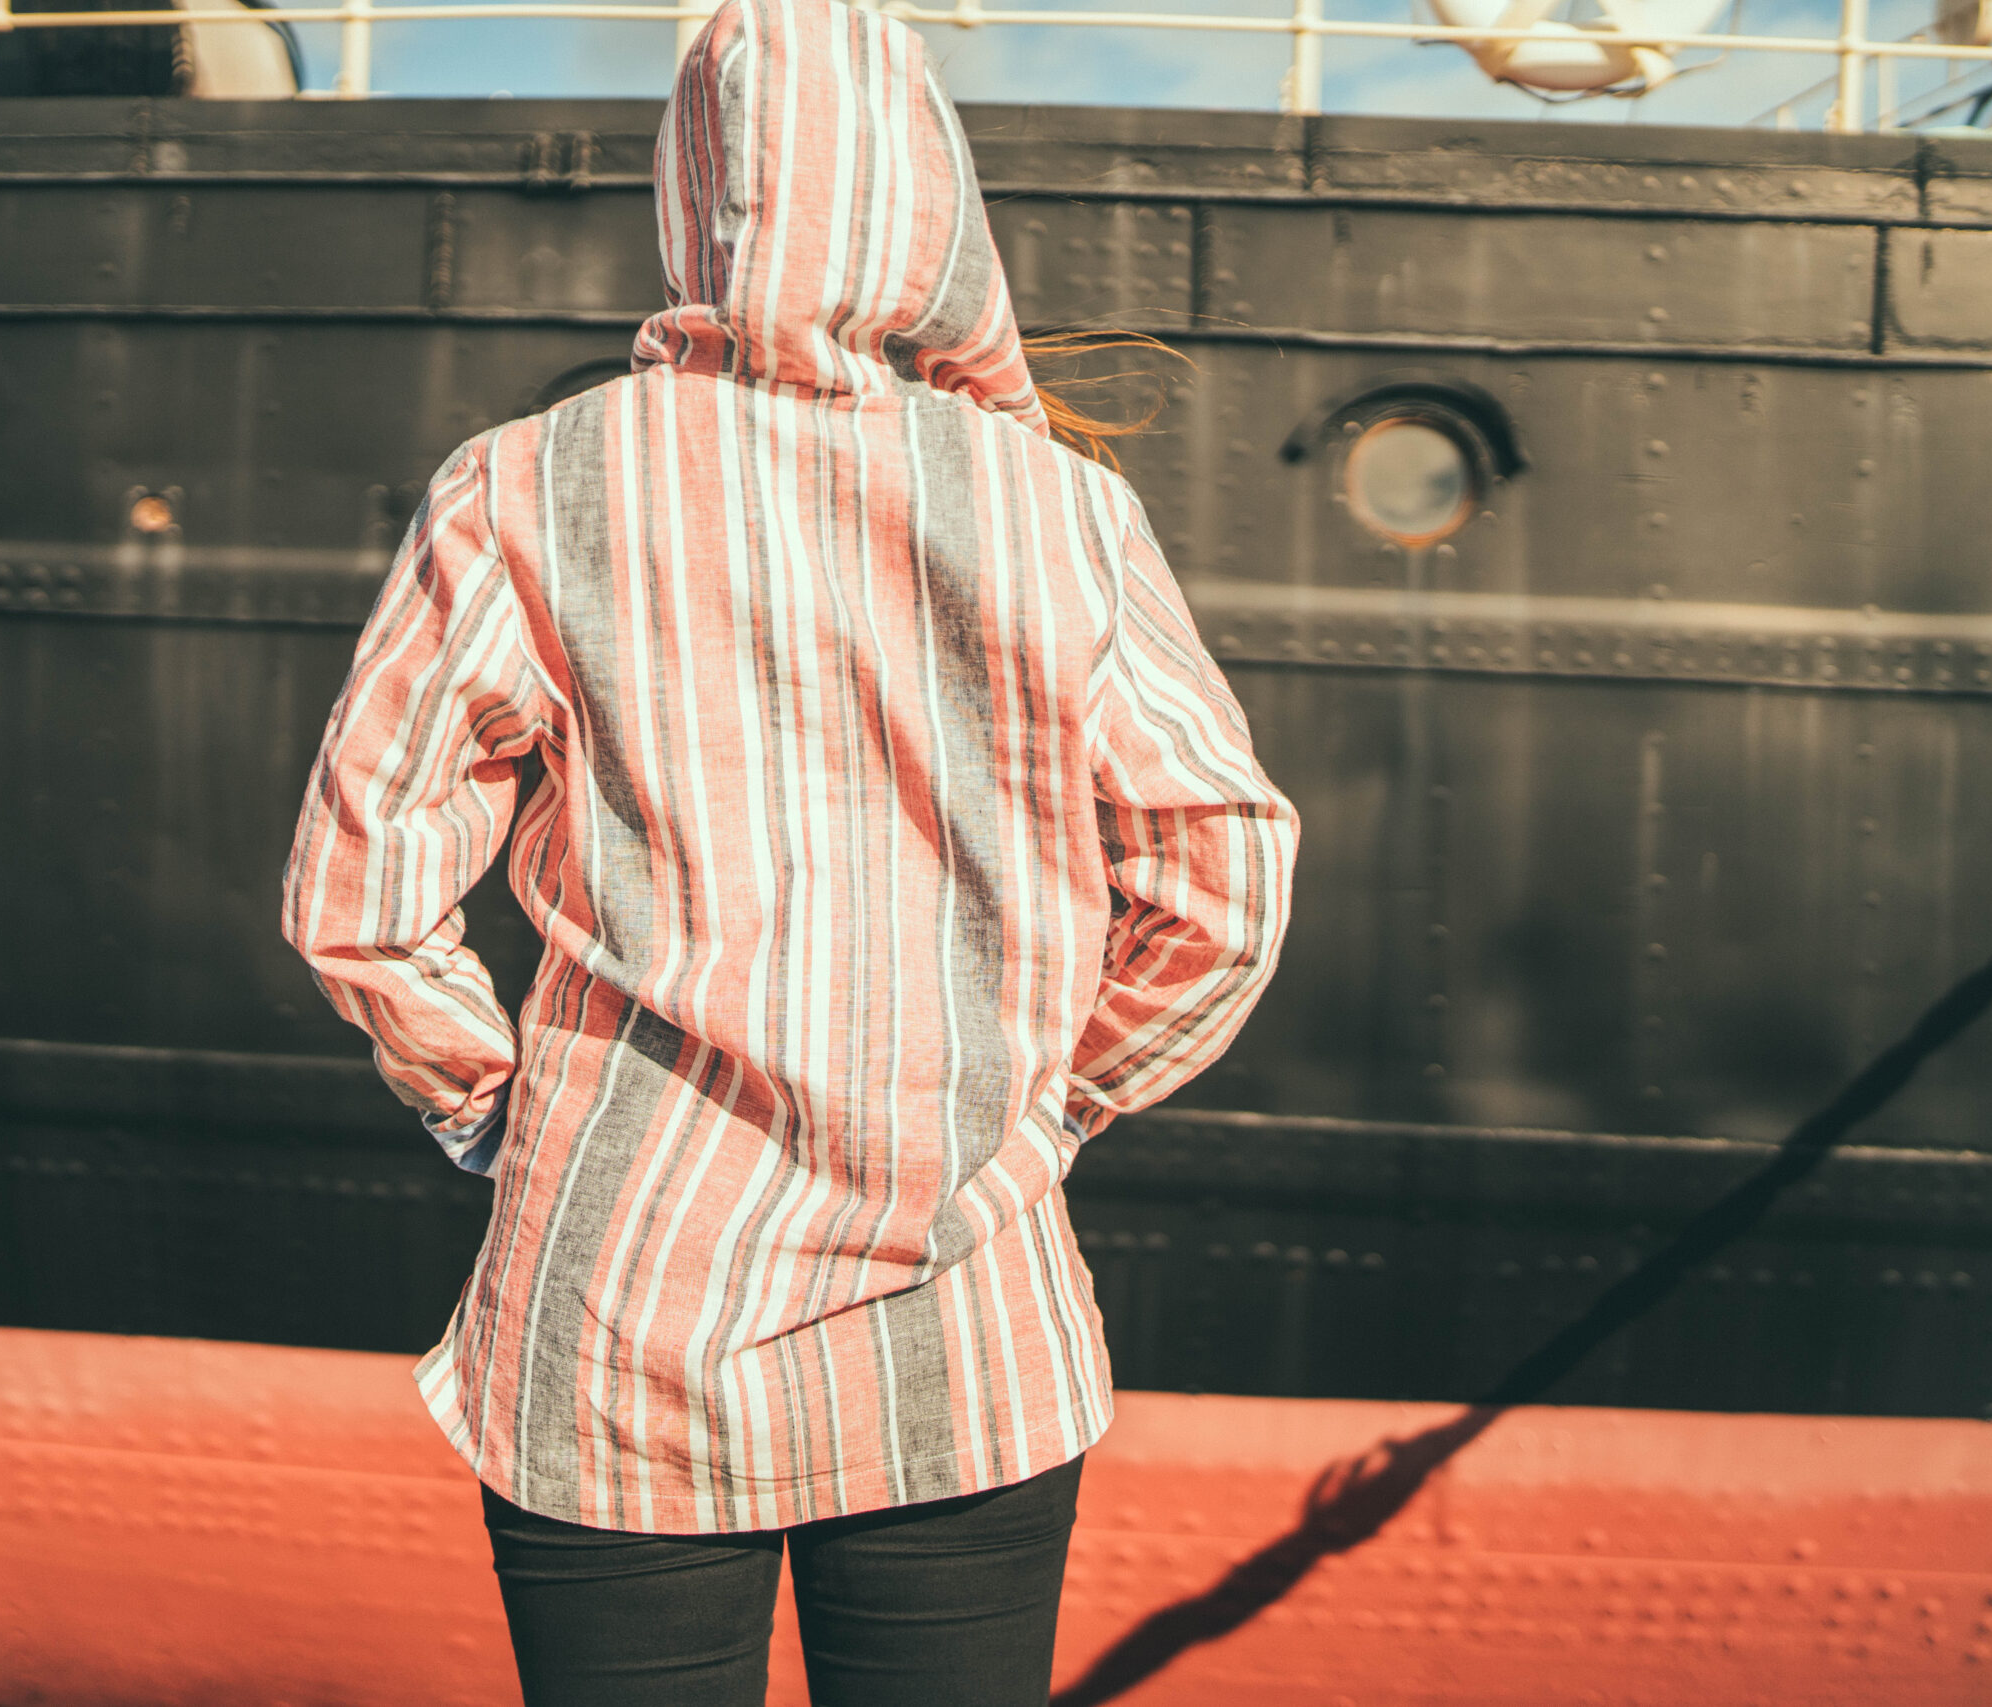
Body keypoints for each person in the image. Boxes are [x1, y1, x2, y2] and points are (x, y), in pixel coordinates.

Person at [281, 0, 1297, 1697]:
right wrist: (1053, 1106)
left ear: (694, 195)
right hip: (966, 1325)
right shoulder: (1060, 505)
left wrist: (494, 1113)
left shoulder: (521, 486)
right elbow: (1226, 881)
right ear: (929, 194)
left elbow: (360, 892)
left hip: (622, 1322)